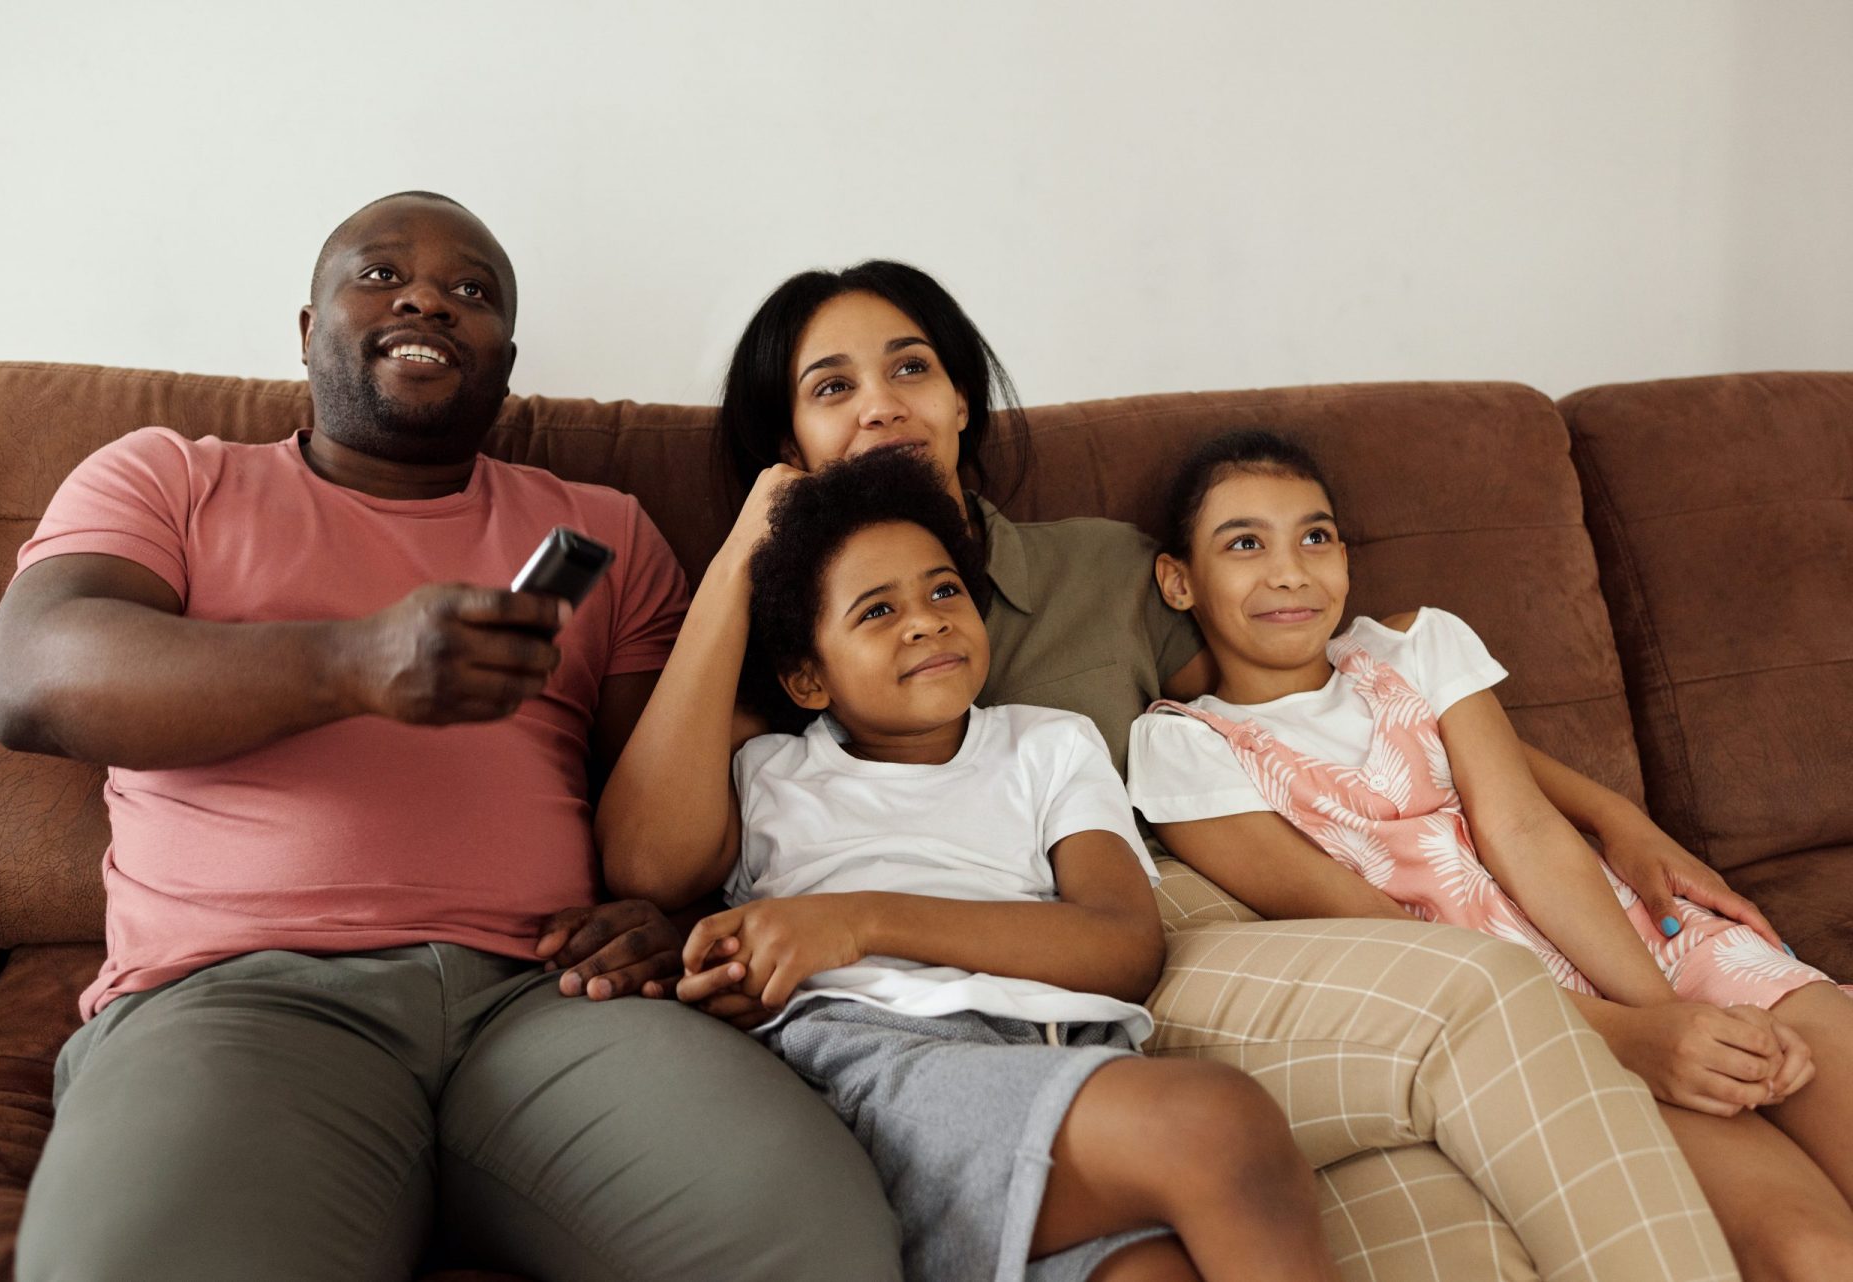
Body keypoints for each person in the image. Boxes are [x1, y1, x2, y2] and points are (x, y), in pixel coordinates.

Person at [599, 259, 1743, 1279]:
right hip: (984, 1009)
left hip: (1174, 910)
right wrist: (753, 545)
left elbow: (1329, 676)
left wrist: (1605, 811)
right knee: (1435, 1097)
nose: (883, 400)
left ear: (960, 399)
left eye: (910, 365)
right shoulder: (784, 667)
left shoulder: (1101, 569)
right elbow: (653, 858)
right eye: (832, 386)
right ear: (787, 442)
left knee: (1450, 1126)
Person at [0, 191, 899, 1282]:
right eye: (379, 275)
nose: (428, 295)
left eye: (473, 292)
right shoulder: (171, 478)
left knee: (814, 1245)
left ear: (504, 367)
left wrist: (669, 916)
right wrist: (352, 663)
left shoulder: (601, 529)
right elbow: (34, 676)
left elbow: (665, 804)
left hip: (552, 1000)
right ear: (305, 329)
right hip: (237, 999)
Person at [1127, 429, 1853, 1279]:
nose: (1290, 571)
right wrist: (1635, 1038)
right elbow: (1381, 942)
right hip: (1534, 1030)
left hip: (1646, 948)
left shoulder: (1415, 647)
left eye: (1315, 536)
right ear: (1179, 580)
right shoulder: (1186, 749)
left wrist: (1673, 1016)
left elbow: (1527, 832)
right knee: (1814, 1252)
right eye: (1244, 543)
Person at [660, 446, 1339, 1281]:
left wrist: (860, 919)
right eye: (876, 611)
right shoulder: (766, 770)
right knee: (1216, 1123)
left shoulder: (1047, 744)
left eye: (944, 590)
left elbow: (1124, 948)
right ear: (807, 677)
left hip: (1060, 1054)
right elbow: (651, 870)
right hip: (878, 1065)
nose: (926, 620)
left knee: (1152, 1272)